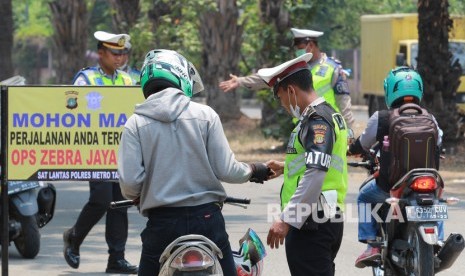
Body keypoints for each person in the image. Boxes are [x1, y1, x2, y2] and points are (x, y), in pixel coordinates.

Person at [117, 49, 272, 276]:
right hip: (208, 220)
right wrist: (254, 170)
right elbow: (227, 170)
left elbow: (130, 184)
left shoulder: (135, 124)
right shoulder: (205, 115)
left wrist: (141, 195)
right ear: (180, 76)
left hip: (162, 223)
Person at [257, 53, 348, 275]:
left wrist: (287, 218)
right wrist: (285, 166)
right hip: (324, 218)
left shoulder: (317, 121)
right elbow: (320, 161)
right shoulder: (329, 114)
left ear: (291, 91)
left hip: (311, 222)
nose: (284, 106)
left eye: (280, 98)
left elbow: (316, 173)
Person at [347, 66, 444, 269]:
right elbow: (439, 142)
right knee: (436, 201)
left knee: (364, 197)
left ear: (390, 90)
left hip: (391, 186)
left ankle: (372, 245)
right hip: (427, 182)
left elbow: (363, 143)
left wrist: (353, 149)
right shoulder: (430, 118)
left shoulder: (381, 118)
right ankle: (439, 240)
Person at [64, 31, 138, 274]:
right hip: (95, 151)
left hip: (122, 151)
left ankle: (116, 258)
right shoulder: (86, 79)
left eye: (123, 53)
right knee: (101, 199)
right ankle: (74, 238)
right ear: (101, 53)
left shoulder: (127, 80)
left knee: (119, 203)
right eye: (115, 53)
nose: (120, 58)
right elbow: (70, 111)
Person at [219, 27, 355, 129]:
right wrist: (241, 81)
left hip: (328, 125)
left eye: (300, 47)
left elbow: (344, 103)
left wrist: (350, 132)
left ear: (311, 45)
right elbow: (268, 78)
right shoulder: (297, 66)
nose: (298, 51)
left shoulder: (333, 68)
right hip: (303, 125)